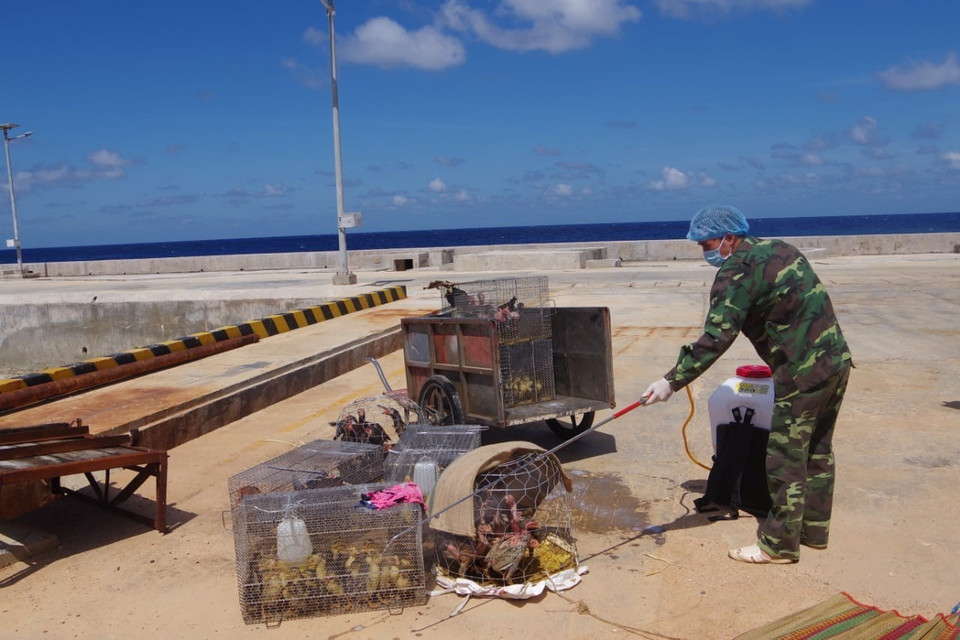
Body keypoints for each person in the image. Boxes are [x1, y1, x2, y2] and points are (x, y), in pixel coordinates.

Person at [642, 205, 853, 565]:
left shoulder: (736, 271)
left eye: (705, 243)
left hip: (801, 374)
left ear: (728, 237)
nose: (704, 251)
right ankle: (813, 531)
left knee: (785, 459)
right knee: (817, 451)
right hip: (835, 362)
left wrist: (671, 381)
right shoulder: (780, 248)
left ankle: (779, 546)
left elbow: (716, 338)